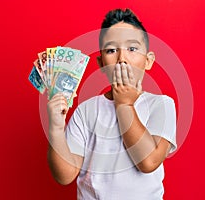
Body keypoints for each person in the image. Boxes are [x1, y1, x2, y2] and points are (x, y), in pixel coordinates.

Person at [46, 8, 177, 200]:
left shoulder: (161, 105)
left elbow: (148, 162)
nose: (121, 58)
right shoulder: (86, 111)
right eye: (111, 50)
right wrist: (56, 129)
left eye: (132, 49)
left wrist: (125, 104)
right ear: (101, 63)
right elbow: (65, 176)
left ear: (148, 61)